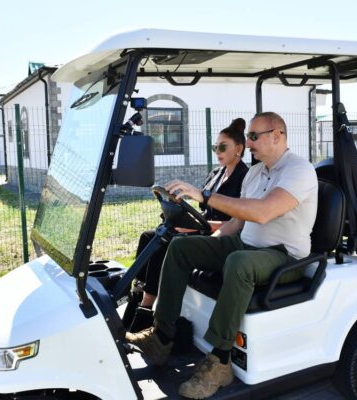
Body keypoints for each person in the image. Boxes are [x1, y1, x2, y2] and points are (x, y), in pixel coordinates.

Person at [126, 112, 318, 399]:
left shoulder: (299, 170)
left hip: (284, 257)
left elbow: (263, 212)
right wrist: (206, 245)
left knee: (238, 262)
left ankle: (220, 361)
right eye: (248, 137)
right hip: (245, 245)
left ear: (277, 135)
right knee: (180, 247)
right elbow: (238, 222)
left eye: (253, 137)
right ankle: (162, 337)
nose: (248, 143)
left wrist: (204, 196)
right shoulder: (255, 173)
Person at [124, 118, 249, 333]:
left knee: (164, 243)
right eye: (215, 147)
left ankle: (146, 307)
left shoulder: (244, 178)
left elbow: (237, 222)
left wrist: (197, 226)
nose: (217, 152)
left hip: (222, 236)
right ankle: (137, 294)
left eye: (222, 147)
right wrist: (184, 218)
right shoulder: (216, 174)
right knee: (149, 236)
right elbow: (204, 209)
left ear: (238, 149)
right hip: (205, 227)